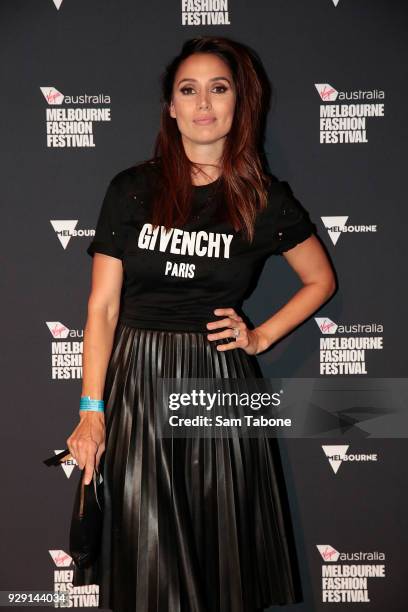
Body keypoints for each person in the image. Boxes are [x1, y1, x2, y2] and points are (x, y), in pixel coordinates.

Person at [66, 36, 336, 612]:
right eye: (188, 90)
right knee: (147, 561)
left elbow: (321, 280)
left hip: (219, 382)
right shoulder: (132, 189)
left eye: (219, 88)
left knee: (221, 557)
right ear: (170, 105)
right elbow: (102, 308)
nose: (203, 103)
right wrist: (91, 411)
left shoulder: (264, 198)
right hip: (137, 378)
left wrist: (259, 336)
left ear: (241, 103)